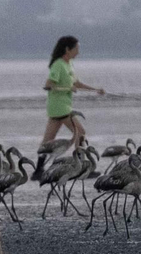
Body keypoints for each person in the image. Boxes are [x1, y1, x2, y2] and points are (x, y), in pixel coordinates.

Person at [36, 36, 103, 174]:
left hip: (59, 107)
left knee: (48, 140)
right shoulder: (58, 64)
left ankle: (38, 170)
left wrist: (95, 90)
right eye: (76, 49)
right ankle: (81, 168)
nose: (78, 52)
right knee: (80, 133)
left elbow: (76, 84)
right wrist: (67, 89)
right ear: (67, 49)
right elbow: (49, 85)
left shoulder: (69, 64)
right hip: (60, 107)